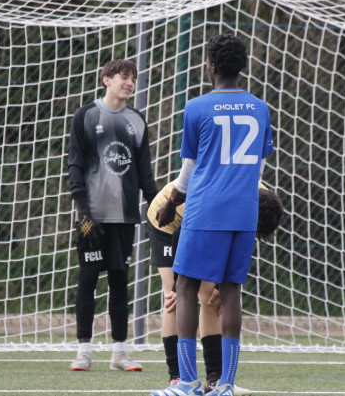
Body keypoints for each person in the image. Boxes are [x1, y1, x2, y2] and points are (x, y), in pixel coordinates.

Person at [151, 34, 275, 396]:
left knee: (186, 287)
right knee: (231, 291)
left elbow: (190, 168)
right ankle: (226, 384)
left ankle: (188, 382)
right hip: (244, 211)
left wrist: (172, 201)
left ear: (212, 67)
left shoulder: (197, 107)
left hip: (205, 209)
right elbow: (258, 166)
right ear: (242, 67)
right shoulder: (260, 108)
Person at [147, 180, 283, 395]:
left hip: (205, 220)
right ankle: (178, 377)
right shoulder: (224, 201)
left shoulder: (262, 201)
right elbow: (180, 234)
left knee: (212, 296)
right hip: (169, 220)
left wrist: (222, 284)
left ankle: (215, 378)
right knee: (174, 297)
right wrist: (177, 285)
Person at [68, 59, 158, 373]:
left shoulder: (137, 120)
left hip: (124, 217)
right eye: (124, 77)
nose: (130, 83)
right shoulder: (85, 115)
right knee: (88, 280)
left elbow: (145, 174)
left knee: (119, 282)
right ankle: (83, 352)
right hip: (91, 217)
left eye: (133, 78)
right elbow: (75, 166)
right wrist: (83, 212)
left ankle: (120, 353)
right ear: (106, 79)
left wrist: (159, 206)